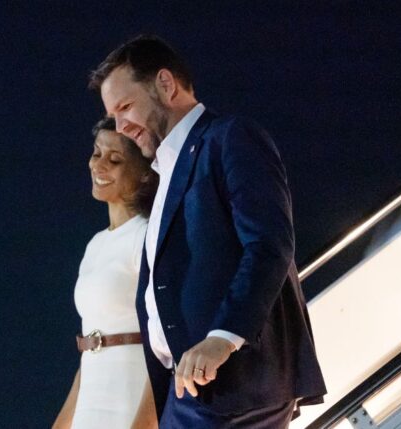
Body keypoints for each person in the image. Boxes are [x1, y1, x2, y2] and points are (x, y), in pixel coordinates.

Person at [88, 35, 327, 428]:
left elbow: (269, 244)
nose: (121, 126)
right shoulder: (165, 172)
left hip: (234, 387)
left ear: (166, 84)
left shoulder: (230, 138)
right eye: (113, 115)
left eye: (125, 107)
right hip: (190, 393)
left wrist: (223, 337)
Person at [53, 118, 160, 429]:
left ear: (144, 173)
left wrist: (145, 423)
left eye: (114, 159)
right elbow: (93, 343)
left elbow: (167, 343)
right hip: (92, 405)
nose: (98, 165)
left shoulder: (148, 236)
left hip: (131, 399)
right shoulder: (96, 244)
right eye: (97, 153)